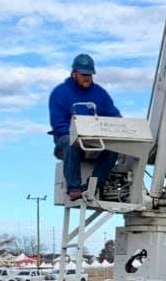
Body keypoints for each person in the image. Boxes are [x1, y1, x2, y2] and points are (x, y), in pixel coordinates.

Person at [49, 54, 122, 201]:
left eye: (89, 74)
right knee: (72, 142)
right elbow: (59, 124)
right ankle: (74, 188)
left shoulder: (100, 94)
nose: (87, 78)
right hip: (67, 141)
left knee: (114, 148)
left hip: (94, 141)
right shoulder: (60, 93)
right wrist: (80, 133)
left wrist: (115, 128)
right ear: (74, 73)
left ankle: (94, 185)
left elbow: (114, 116)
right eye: (83, 74)